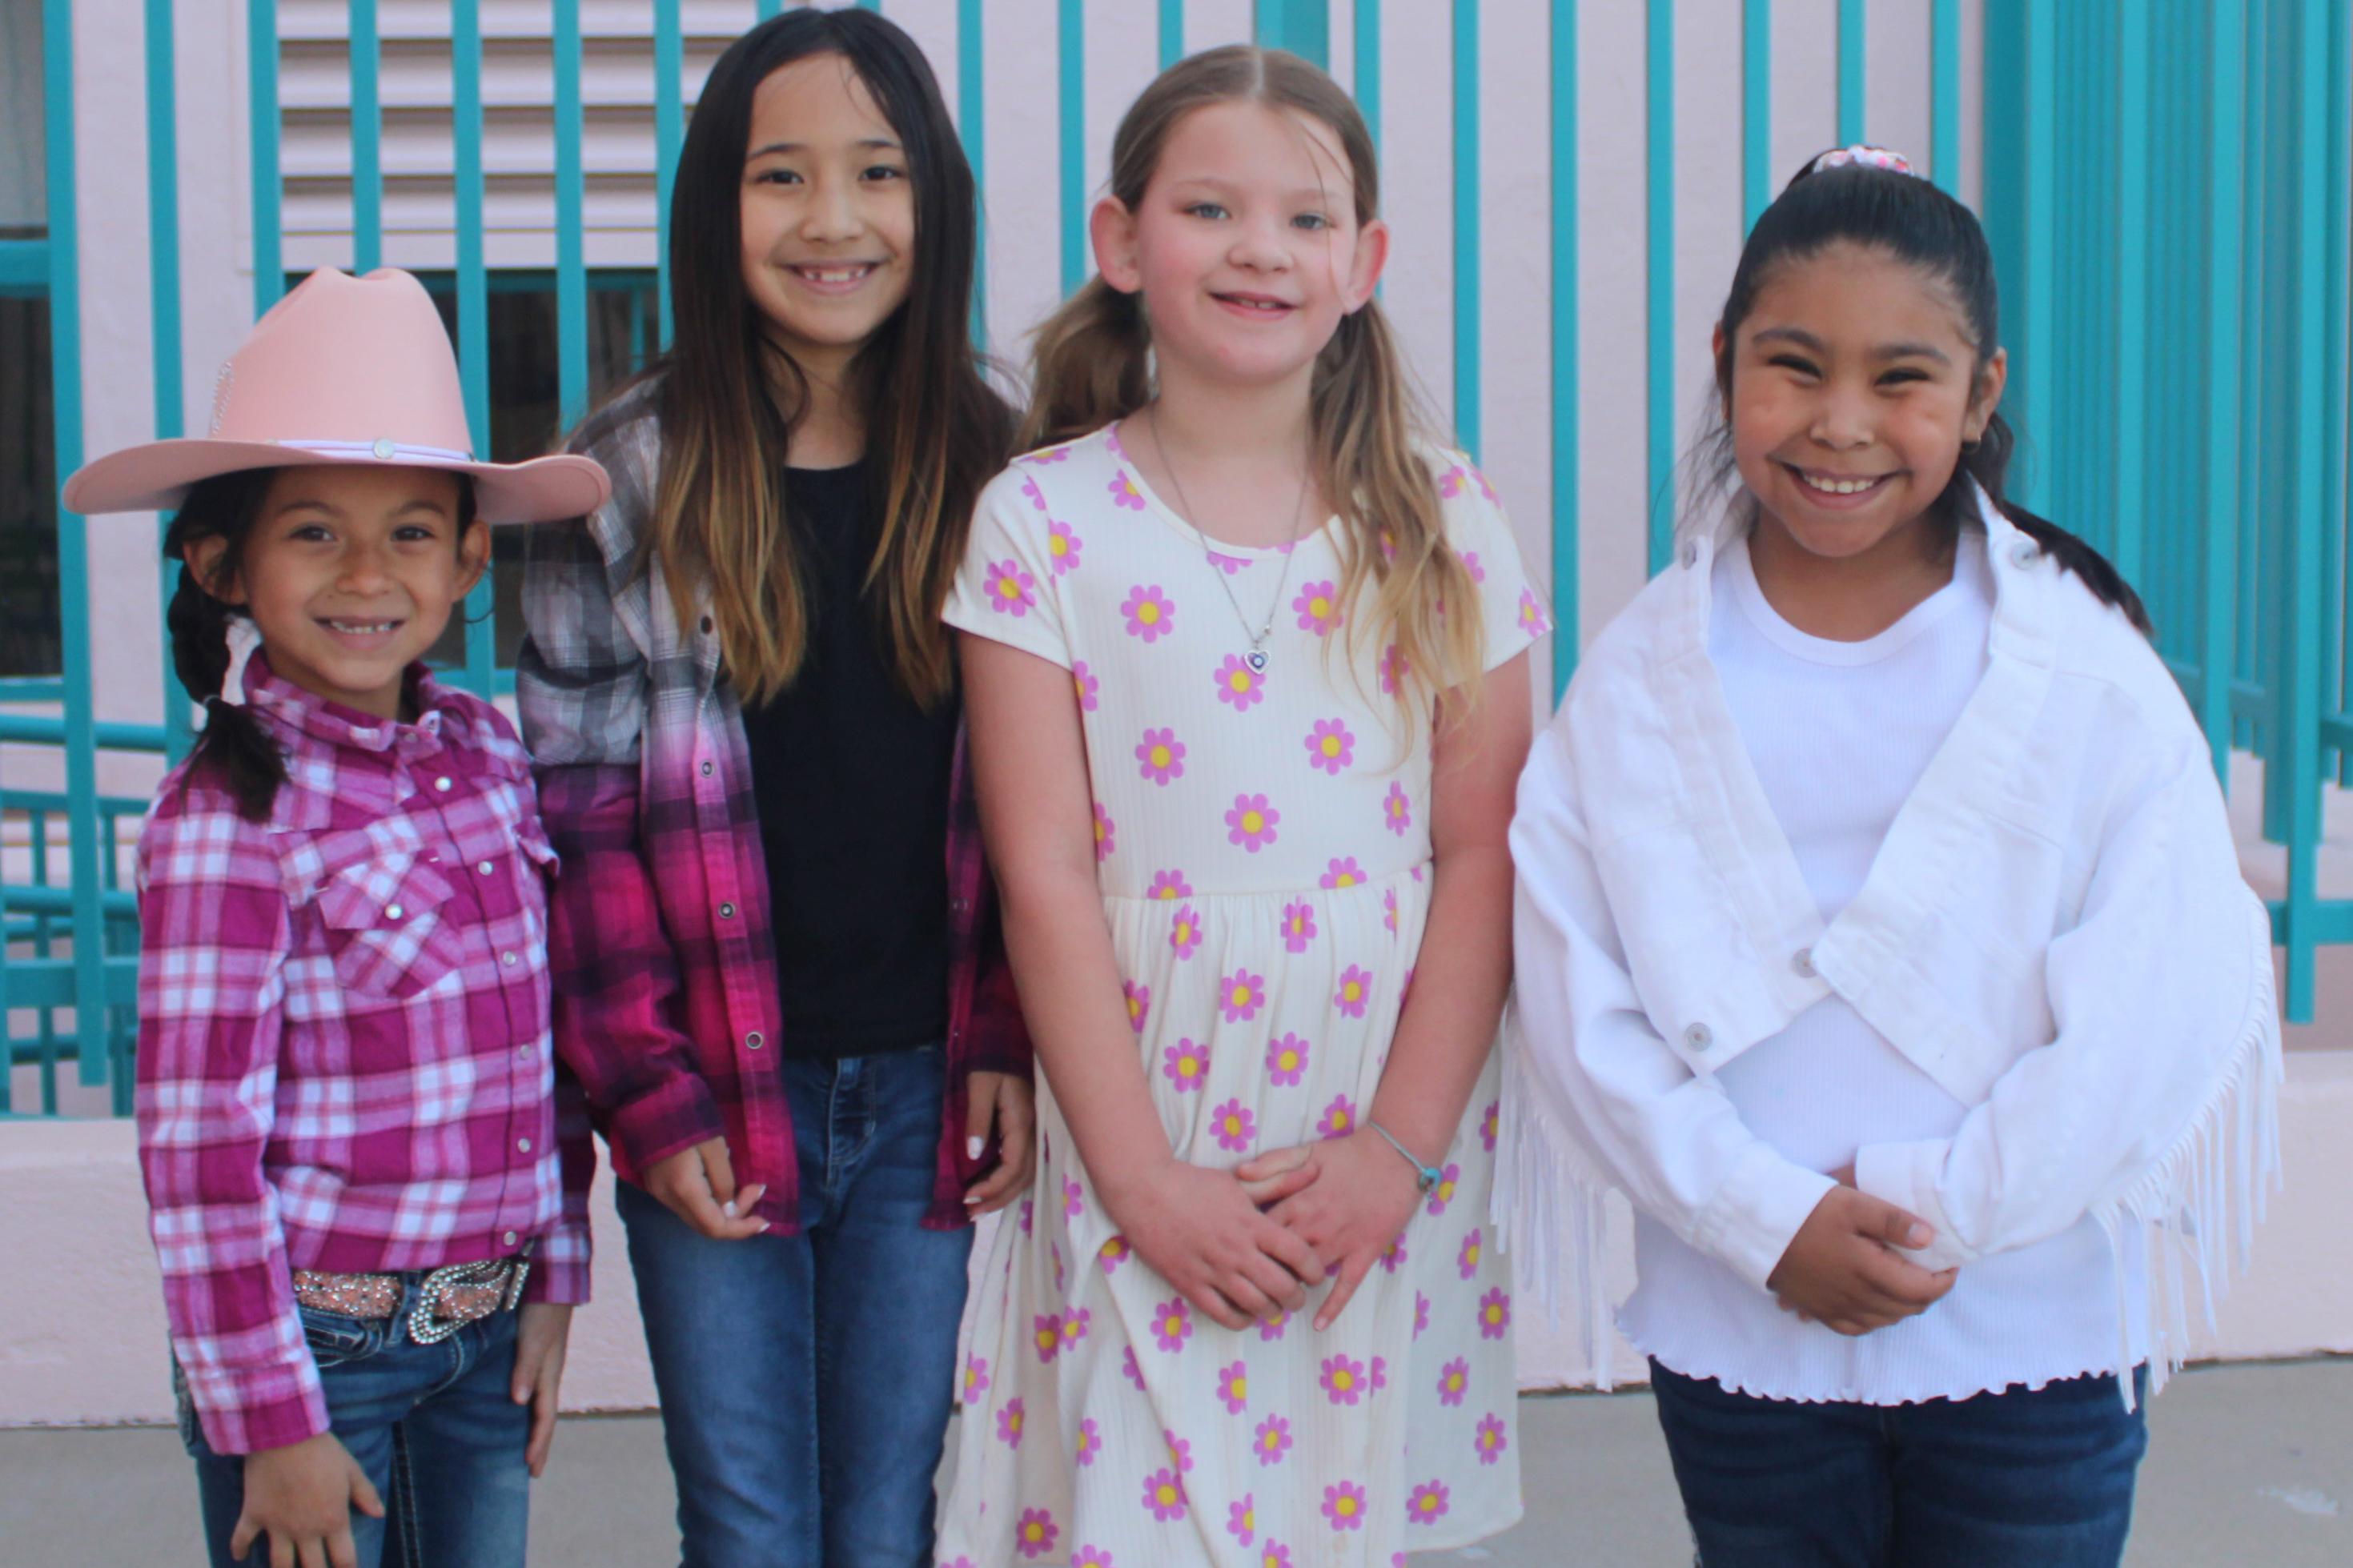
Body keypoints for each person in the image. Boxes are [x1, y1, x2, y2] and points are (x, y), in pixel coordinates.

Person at [1505, 146, 2283, 1568]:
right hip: (1742, 1322)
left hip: (2032, 1328)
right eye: (1793, 367)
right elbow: (1573, 984)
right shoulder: (1639, 682)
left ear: (1983, 392)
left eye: (1902, 379)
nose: (1841, 424)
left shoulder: (2085, 668)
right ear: (1726, 360)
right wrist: (1765, 1219)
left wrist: (1943, 1209)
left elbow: (2161, 984)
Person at [936, 44, 1548, 1568]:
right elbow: (1047, 881)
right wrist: (1142, 1184)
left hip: (1372, 1140)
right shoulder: (1041, 522)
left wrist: (1396, 1155)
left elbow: (1483, 854)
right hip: (1146, 1124)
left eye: (1305, 218)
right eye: (1211, 208)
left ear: (1366, 263)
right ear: (1123, 242)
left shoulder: (1444, 515)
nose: (1261, 249)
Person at [513, 10, 1032, 1566]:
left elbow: (1042, 806)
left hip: (928, 1085)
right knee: (749, 1520)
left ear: (932, 200)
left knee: (887, 1516)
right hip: (715, 1096)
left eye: (876, 172)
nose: (831, 220)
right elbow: (583, 834)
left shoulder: (1008, 470)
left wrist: (1006, 1030)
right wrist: (649, 1095)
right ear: (709, 209)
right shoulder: (614, 491)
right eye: (780, 176)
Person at [66, 265, 612, 1568]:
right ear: (223, 564)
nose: (369, 574)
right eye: (314, 532)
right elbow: (199, 1155)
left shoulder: (486, 756)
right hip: (314, 1363)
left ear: (472, 553)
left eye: (414, 532)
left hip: (485, 1342)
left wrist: (552, 1284)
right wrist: (269, 1420)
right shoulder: (227, 822)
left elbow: (538, 1062)